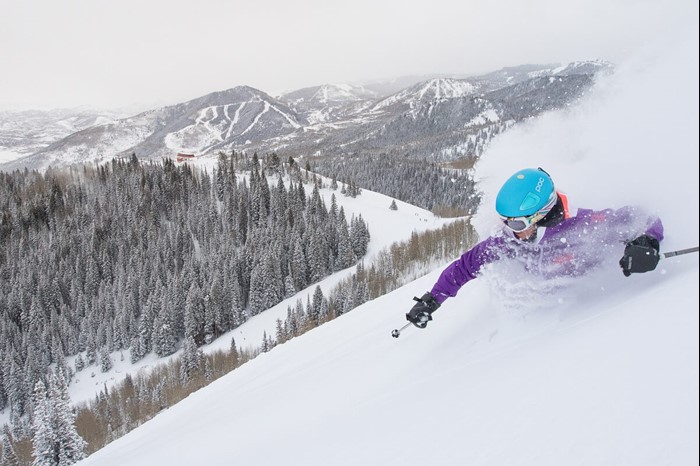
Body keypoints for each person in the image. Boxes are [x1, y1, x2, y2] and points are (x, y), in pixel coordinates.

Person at [406, 167, 664, 328]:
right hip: (549, 321)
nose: (510, 230)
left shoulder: (584, 224)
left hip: (596, 315)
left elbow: (644, 216)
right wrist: (432, 300)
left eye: (517, 222)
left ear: (540, 214)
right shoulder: (509, 241)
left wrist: (646, 241)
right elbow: (465, 266)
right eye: (505, 222)